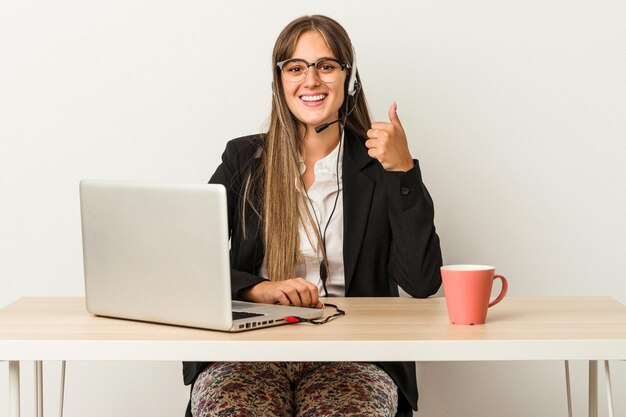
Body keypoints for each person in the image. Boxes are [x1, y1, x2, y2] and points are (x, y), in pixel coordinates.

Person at [183, 14, 442, 417]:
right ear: (280, 80)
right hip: (248, 354)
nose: (311, 80)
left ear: (349, 78)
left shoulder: (379, 166)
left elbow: (422, 283)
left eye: (326, 66)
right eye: (296, 68)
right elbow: (190, 260)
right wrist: (257, 289)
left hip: (356, 356)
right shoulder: (244, 159)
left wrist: (402, 171)